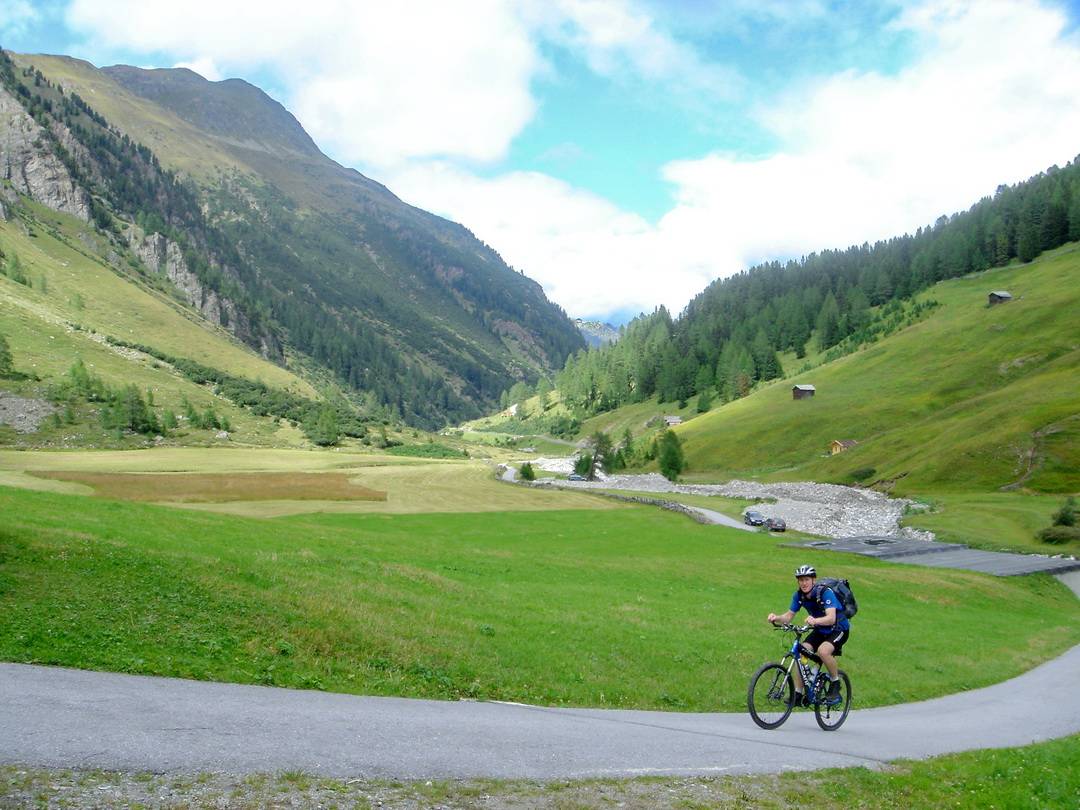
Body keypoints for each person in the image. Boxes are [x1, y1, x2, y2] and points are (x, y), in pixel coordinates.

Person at [766, 564, 849, 706]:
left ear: (813, 580)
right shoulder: (799, 596)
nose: (803, 583)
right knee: (801, 651)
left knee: (823, 651)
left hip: (838, 629)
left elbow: (831, 618)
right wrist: (776, 618)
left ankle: (835, 684)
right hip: (820, 630)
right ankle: (798, 694)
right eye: (801, 580)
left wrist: (815, 620)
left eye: (806, 579)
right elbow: (789, 616)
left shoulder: (825, 592)